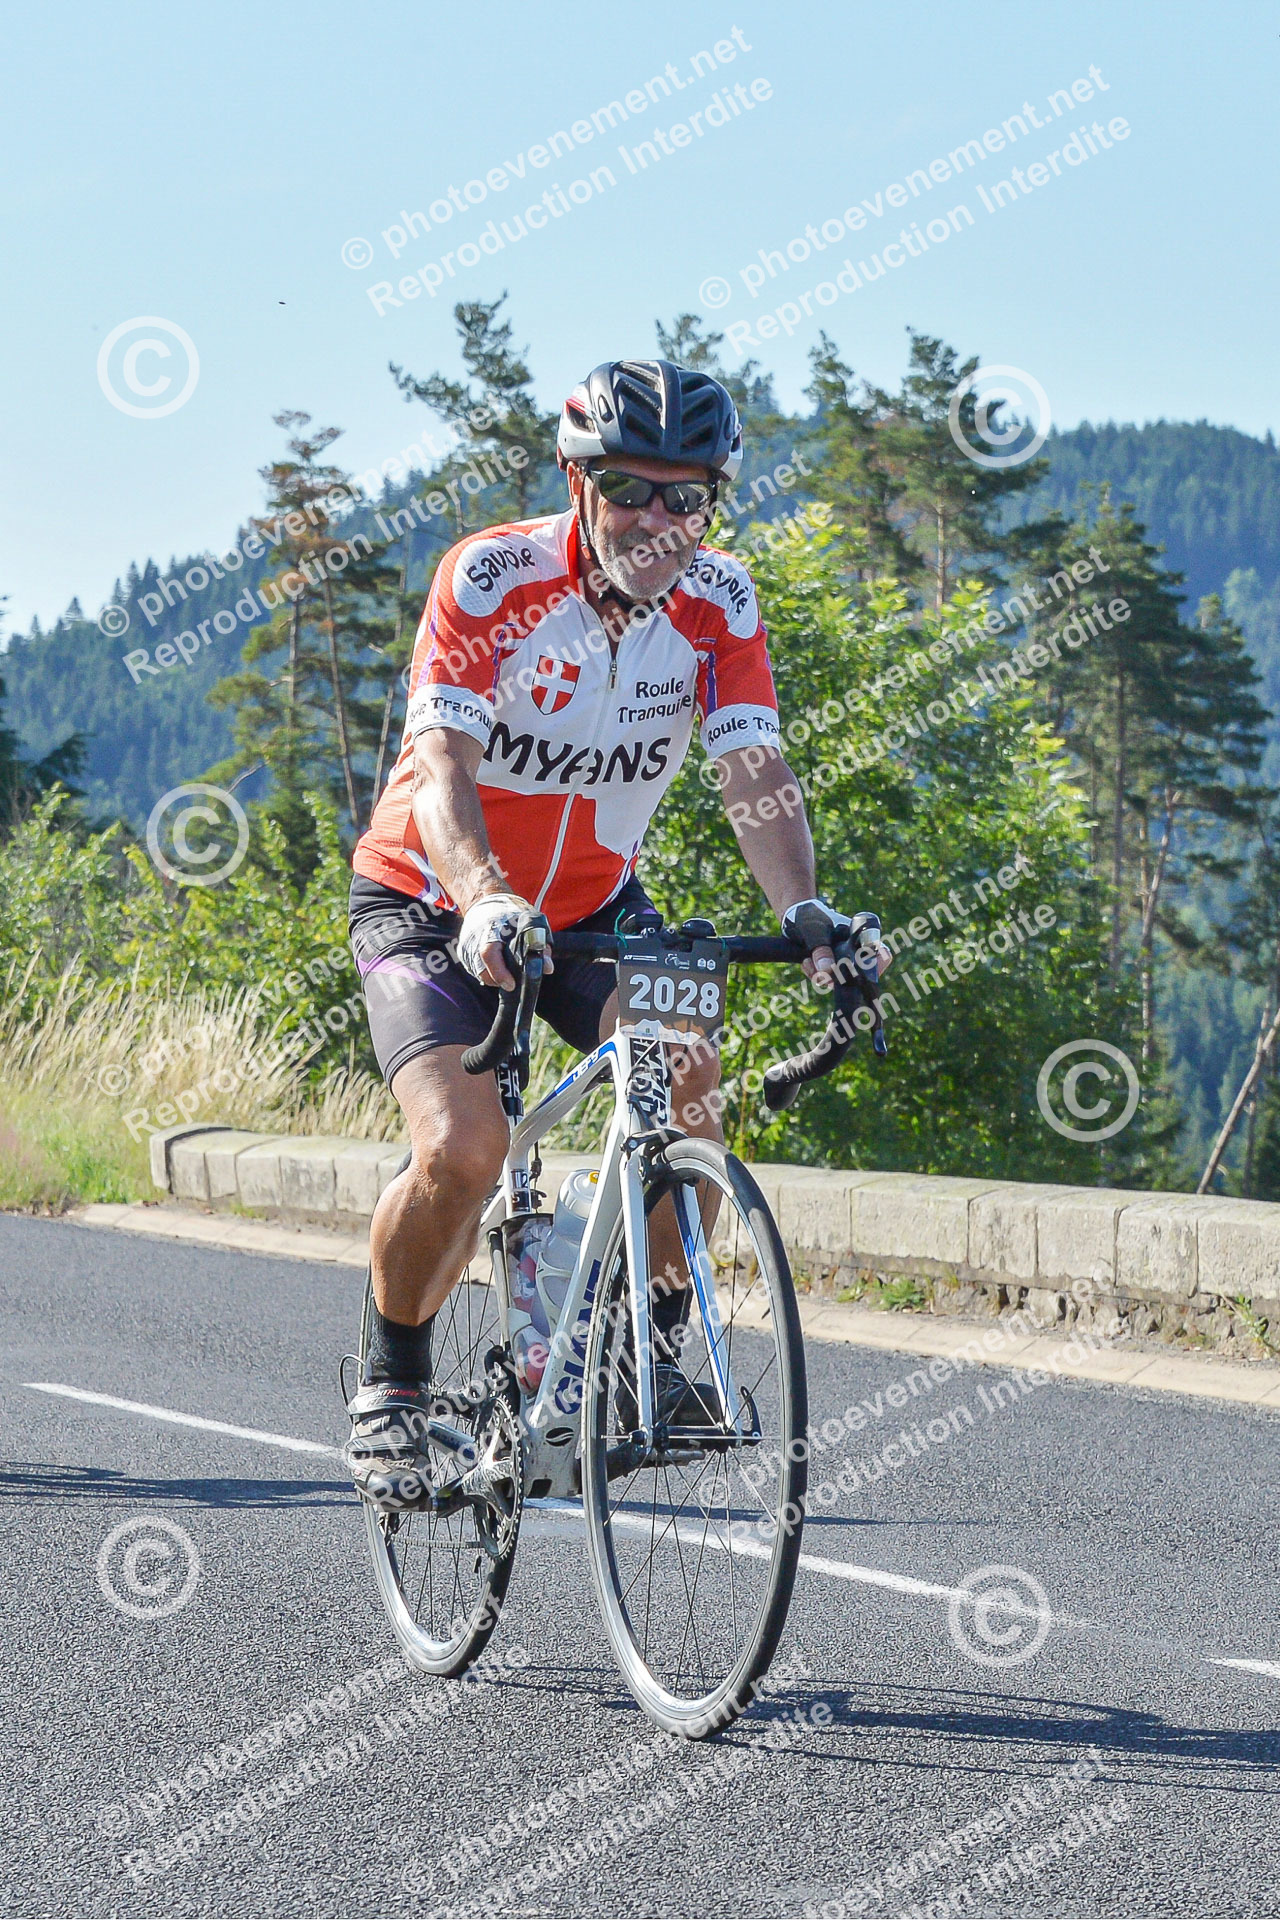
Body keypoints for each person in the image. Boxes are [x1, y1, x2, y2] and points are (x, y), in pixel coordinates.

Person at [344, 356, 885, 1506]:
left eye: (684, 497)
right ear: (576, 481)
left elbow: (752, 770)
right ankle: (391, 1385)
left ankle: (650, 1345)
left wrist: (803, 913)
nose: (655, 519)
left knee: (689, 1077)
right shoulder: (493, 577)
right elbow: (442, 765)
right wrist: (482, 895)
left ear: (714, 501)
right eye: (627, 489)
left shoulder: (717, 602)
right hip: (430, 896)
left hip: (592, 906)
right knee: (463, 1150)